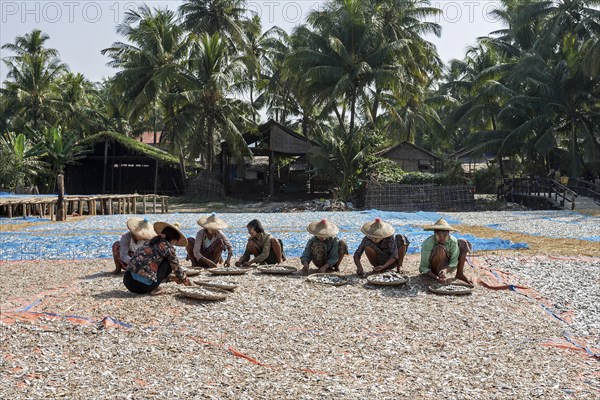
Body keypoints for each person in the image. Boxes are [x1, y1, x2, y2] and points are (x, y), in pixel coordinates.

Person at [123, 222, 191, 295]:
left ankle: (154, 283)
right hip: (142, 287)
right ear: (173, 241)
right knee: (168, 263)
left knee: (156, 261)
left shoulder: (149, 242)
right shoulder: (168, 248)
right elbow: (176, 268)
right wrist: (186, 280)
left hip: (127, 281)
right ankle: (154, 288)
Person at [419, 218, 473, 284]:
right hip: (432, 268)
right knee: (440, 248)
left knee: (463, 242)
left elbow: (454, 261)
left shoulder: (453, 241)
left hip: (447, 266)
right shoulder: (428, 243)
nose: (442, 238)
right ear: (435, 234)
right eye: (439, 235)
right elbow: (423, 267)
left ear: (448, 233)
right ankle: (438, 274)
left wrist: (446, 270)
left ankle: (459, 274)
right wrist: (435, 277)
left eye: (445, 235)